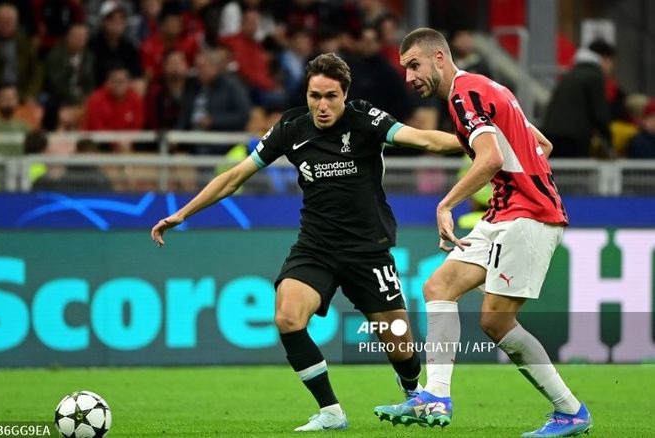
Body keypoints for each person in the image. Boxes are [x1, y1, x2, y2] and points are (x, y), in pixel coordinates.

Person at [151, 52, 462, 432]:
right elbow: (235, 176)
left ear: (345, 95)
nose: (322, 105)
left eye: (331, 96)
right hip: (316, 247)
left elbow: (425, 140)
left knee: (401, 345)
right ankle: (331, 411)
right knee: (286, 316)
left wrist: (479, 139)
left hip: (368, 249)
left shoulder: (365, 119)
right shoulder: (291, 128)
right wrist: (183, 213)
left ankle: (412, 389)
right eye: (315, 95)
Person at [373, 28, 592, 438]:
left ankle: (571, 411)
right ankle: (435, 397)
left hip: (527, 216)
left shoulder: (463, 94)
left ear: (439, 57)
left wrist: (446, 203)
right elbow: (540, 144)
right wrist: (525, 172)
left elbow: (490, 158)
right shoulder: (487, 87)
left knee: (495, 321)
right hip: (507, 212)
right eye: (405, 69)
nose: (409, 77)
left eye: (414, 65)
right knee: (439, 287)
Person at [542, 39, 614, 158]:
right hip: (574, 138)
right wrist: (609, 141)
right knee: (576, 174)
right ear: (606, 59)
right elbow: (600, 114)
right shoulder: (594, 76)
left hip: (551, 134)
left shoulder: (573, 73)